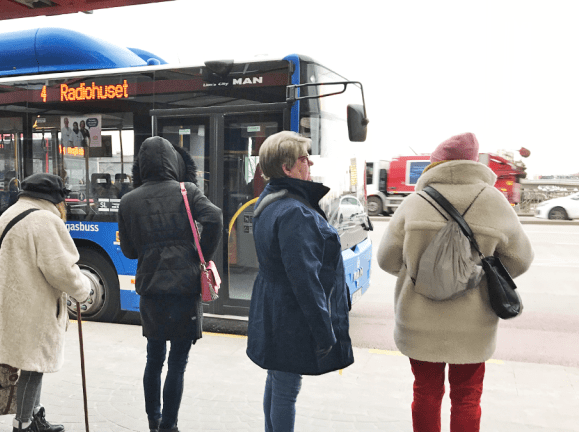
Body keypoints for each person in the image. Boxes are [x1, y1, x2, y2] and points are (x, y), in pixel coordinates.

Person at [377, 132, 534, 432]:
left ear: (435, 165)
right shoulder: (495, 202)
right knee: (467, 399)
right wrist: (478, 274)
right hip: (473, 326)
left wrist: (421, 269)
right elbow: (521, 259)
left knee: (425, 393)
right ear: (474, 164)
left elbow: (387, 260)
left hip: (418, 322)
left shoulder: (414, 203)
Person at [246, 131, 354, 432]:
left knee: (278, 378)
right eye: (304, 158)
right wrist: (324, 330)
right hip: (291, 314)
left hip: (275, 305)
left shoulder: (271, 199)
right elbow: (305, 278)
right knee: (286, 388)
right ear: (286, 167)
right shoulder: (295, 211)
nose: (310, 163)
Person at [117, 136, 222, 432]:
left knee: (154, 359)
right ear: (172, 161)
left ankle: (154, 420)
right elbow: (214, 217)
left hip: (151, 289)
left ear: (141, 164)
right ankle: (170, 426)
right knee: (177, 362)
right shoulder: (186, 191)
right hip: (185, 288)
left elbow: (129, 251)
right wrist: (200, 253)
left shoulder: (129, 200)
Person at [0, 173, 91, 432]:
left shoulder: (8, 215)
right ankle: (24, 424)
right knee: (33, 367)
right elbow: (61, 270)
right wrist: (83, 289)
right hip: (35, 307)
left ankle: (33, 416)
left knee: (31, 364)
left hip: (11, 305)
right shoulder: (45, 220)